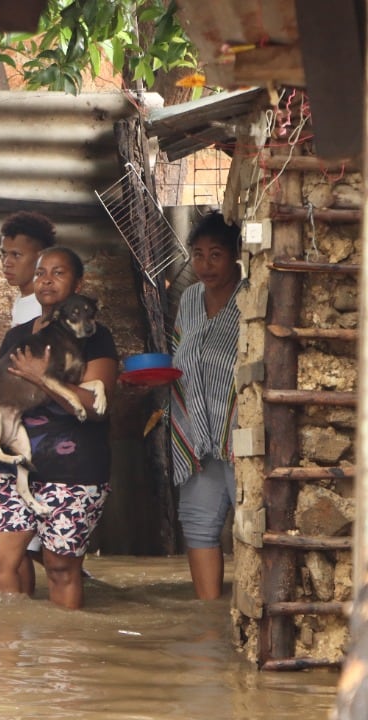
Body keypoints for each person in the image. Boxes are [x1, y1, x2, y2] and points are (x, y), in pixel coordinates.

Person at [0, 247, 118, 609]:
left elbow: (93, 408)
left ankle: (61, 657)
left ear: (78, 283)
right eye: (42, 272)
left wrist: (41, 378)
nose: (46, 279)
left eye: (59, 273)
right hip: (17, 465)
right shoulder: (17, 337)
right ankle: (11, 655)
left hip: (73, 470)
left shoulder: (96, 337)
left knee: (60, 568)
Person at [170, 211, 243, 600]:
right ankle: (207, 620)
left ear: (235, 256)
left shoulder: (250, 297)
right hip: (197, 438)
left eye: (216, 255)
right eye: (197, 254)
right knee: (197, 526)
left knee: (251, 526)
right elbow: (181, 353)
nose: (205, 265)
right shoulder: (190, 300)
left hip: (241, 437)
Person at [0, 211, 57, 594]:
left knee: (34, 550)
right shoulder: (22, 306)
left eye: (17, 255)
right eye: (4, 253)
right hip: (20, 437)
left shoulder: (43, 310)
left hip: (42, 440)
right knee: (20, 550)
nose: (7, 262)